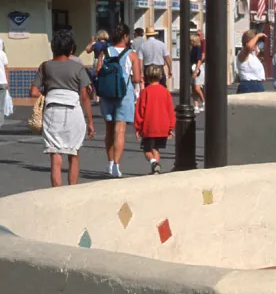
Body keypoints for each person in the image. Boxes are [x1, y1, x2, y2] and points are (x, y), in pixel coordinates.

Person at [30, 29, 95, 187]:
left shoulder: (45, 66)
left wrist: (47, 90)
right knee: (73, 154)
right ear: (71, 48)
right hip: (73, 111)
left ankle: (56, 194)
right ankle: (71, 192)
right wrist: (90, 122)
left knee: (55, 156)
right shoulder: (78, 68)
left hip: (52, 111)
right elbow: (85, 96)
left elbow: (33, 92)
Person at [95, 25, 143, 178]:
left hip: (107, 93)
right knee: (120, 130)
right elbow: (136, 78)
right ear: (125, 37)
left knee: (109, 129)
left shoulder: (105, 52)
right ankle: (116, 165)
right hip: (124, 94)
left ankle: (109, 163)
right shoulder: (132, 55)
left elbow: (97, 71)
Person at [134, 65, 176, 175]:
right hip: (163, 126)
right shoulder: (165, 92)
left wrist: (138, 127)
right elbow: (170, 110)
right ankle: (156, 169)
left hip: (149, 126)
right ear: (160, 76)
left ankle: (153, 163)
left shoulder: (145, 92)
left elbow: (140, 111)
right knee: (156, 148)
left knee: (147, 149)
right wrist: (171, 127)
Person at [189, 32, 205, 108]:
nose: (190, 42)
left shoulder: (198, 48)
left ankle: (203, 101)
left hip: (197, 68)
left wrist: (196, 71)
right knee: (193, 88)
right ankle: (196, 105)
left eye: (191, 40)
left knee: (197, 87)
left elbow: (199, 60)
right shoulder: (192, 49)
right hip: (192, 68)